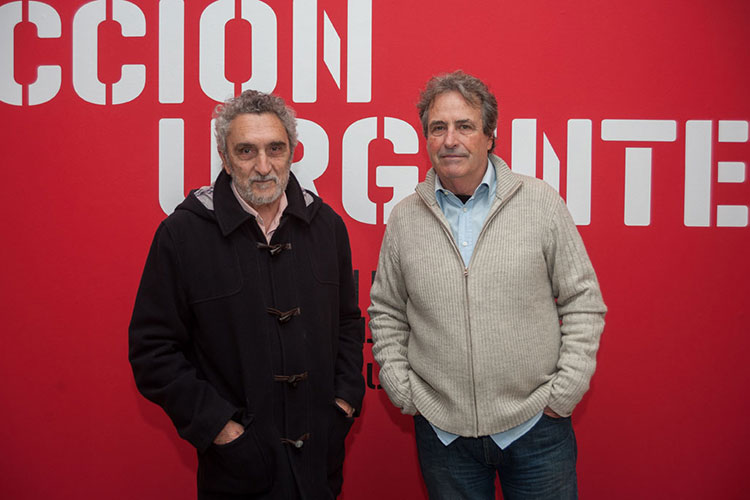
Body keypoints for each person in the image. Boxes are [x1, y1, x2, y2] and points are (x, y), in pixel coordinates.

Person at [369, 71, 607, 500]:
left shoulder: (540, 202)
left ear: (490, 135)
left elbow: (582, 300)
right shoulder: (405, 218)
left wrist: (564, 392)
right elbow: (386, 310)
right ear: (426, 138)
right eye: (438, 128)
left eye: (464, 126)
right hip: (444, 437)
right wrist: (405, 391)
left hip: (536, 429)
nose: (450, 140)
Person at [129, 90, 364, 500]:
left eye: (275, 148)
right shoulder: (182, 235)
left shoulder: (327, 227)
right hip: (236, 471)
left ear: (292, 152)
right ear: (224, 156)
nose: (263, 166)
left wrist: (343, 403)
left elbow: (347, 323)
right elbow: (152, 350)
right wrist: (220, 428)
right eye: (246, 151)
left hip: (318, 465)